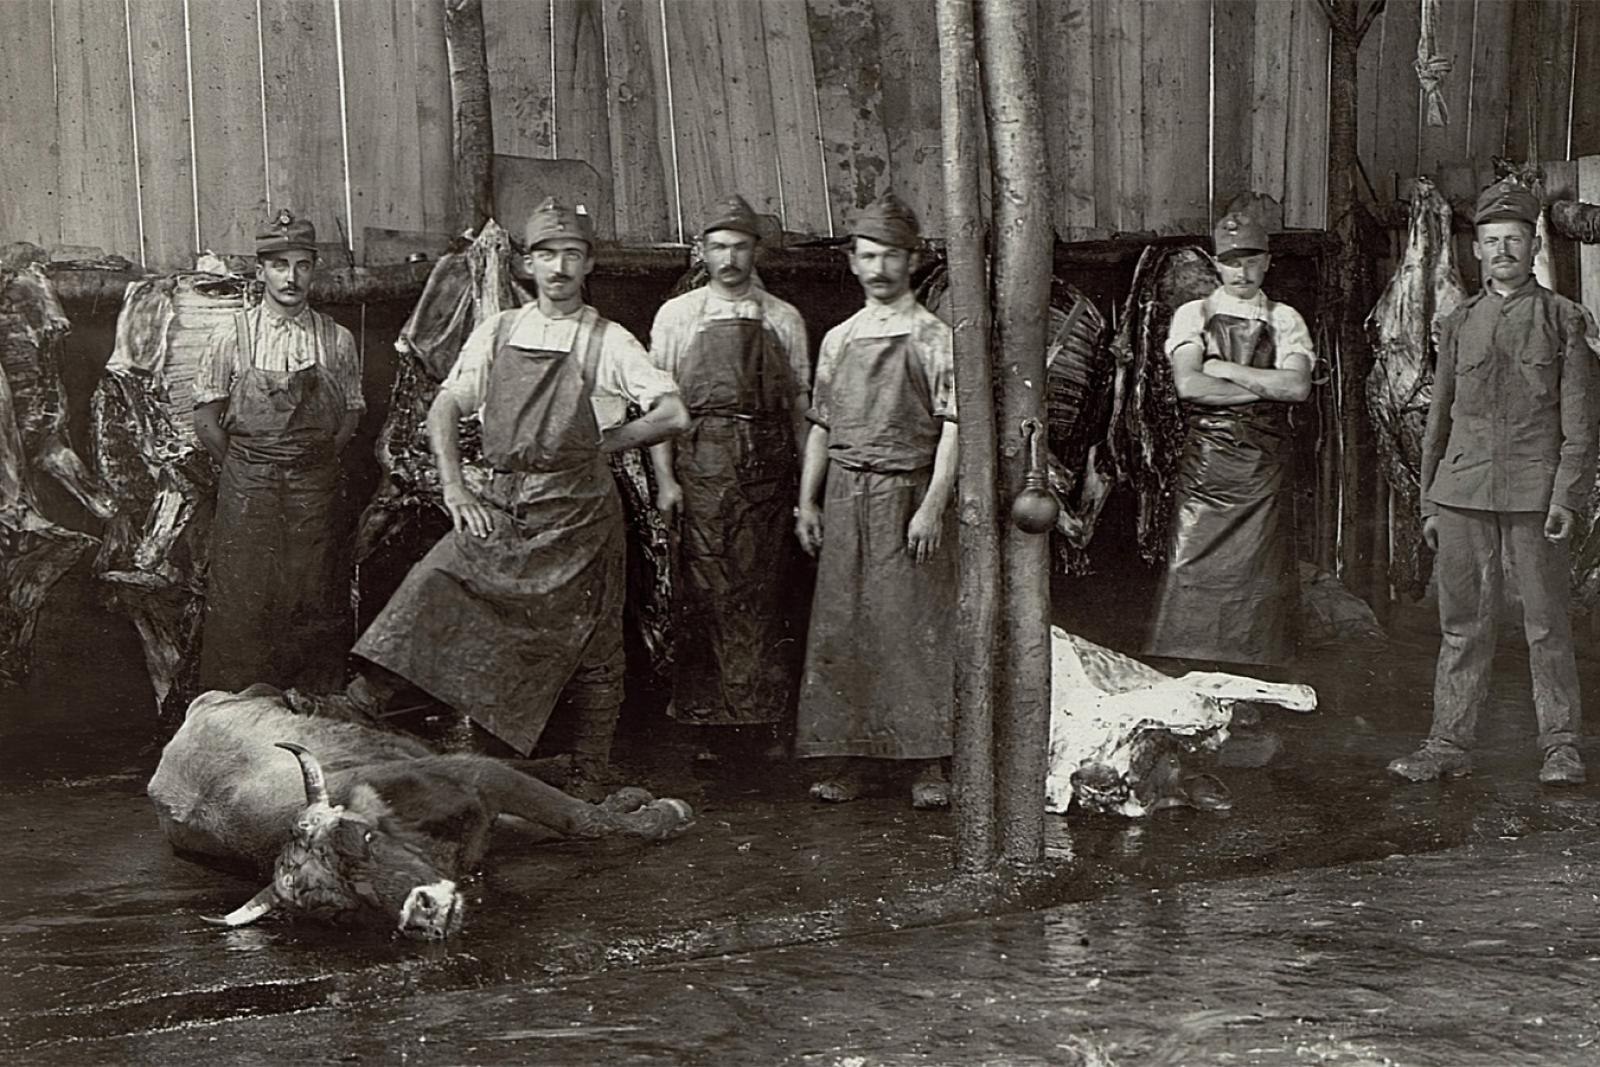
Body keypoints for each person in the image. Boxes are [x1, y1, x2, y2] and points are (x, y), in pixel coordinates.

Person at [292, 198, 690, 801]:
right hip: (503, 500)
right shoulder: (501, 330)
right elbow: (445, 407)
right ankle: (361, 705)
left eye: (572, 254)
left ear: (588, 264)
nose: (559, 267)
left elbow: (674, 413)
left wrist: (604, 443)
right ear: (527, 264)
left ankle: (590, 770)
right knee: (439, 580)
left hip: (579, 512)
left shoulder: (608, 340)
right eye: (547, 254)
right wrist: (456, 488)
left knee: (592, 640)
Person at [1390, 179, 1598, 786]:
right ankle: (1446, 743)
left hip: (1535, 495)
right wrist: (1429, 502)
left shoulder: (1564, 319)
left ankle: (1561, 746)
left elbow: (1581, 425)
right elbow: (1439, 419)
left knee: (1546, 624)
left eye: (1514, 239)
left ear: (1533, 247)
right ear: (1476, 250)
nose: (1502, 250)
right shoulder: (1459, 321)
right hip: (1462, 492)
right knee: (1462, 624)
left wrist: (1567, 498)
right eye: (1491, 240)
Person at [793, 192, 959, 810]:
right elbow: (821, 425)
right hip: (845, 495)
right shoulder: (840, 338)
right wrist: (808, 503)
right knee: (844, 628)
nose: (879, 268)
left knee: (911, 628)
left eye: (891, 255)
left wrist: (933, 505)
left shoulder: (936, 337)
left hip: (904, 495)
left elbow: (955, 426)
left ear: (912, 261)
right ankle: (848, 760)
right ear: (852, 262)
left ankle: (926, 762)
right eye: (867, 256)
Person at [646, 194, 811, 762]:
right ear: (701, 250)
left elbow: (799, 407)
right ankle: (707, 728)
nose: (729, 258)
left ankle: (766, 724)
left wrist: (806, 490)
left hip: (768, 466)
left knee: (767, 592)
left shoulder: (783, 318)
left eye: (740, 247)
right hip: (702, 465)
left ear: (755, 251)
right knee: (705, 592)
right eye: (718, 247)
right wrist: (666, 481)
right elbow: (661, 406)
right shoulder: (677, 316)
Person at [193, 208, 363, 693]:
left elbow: (350, 415)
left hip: (314, 489)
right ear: (260, 270)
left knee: (314, 596)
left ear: (313, 269)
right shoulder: (232, 335)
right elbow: (206, 419)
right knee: (243, 603)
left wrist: (309, 460)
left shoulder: (337, 340)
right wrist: (248, 465)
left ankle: (312, 712)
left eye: (302, 265)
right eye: (279, 265)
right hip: (249, 488)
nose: (291, 278)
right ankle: (235, 714)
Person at [1143, 212, 1314, 669]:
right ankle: (1187, 673)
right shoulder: (1192, 315)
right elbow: (1190, 386)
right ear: (1216, 264)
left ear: (1268, 261)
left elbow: (1297, 387)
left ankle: (1257, 682)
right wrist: (1264, 386)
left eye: (1252, 260)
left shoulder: (1286, 319)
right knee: (1191, 577)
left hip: (1262, 469)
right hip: (1207, 470)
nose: (1242, 271)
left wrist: (1225, 369)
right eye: (1232, 261)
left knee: (1260, 588)